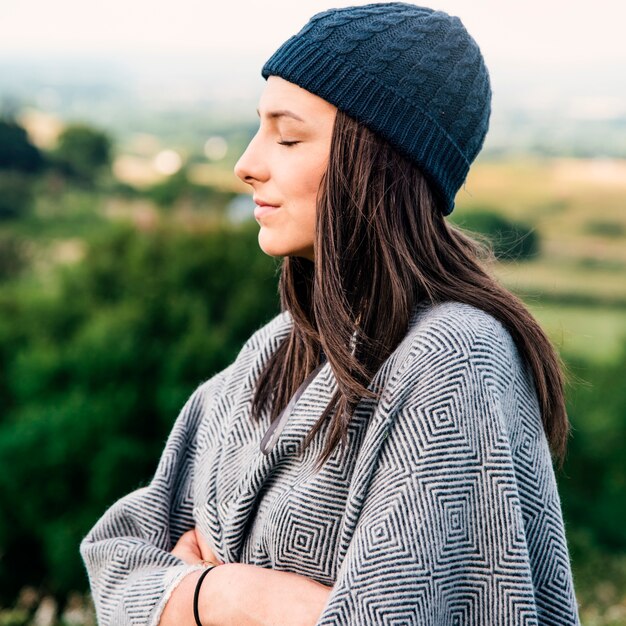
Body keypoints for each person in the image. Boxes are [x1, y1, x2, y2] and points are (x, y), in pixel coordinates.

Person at [80, 3, 582, 625]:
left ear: (375, 161)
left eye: (288, 136)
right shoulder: (275, 350)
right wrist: (229, 596)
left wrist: (197, 592)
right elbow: (115, 554)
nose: (247, 163)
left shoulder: (455, 360)